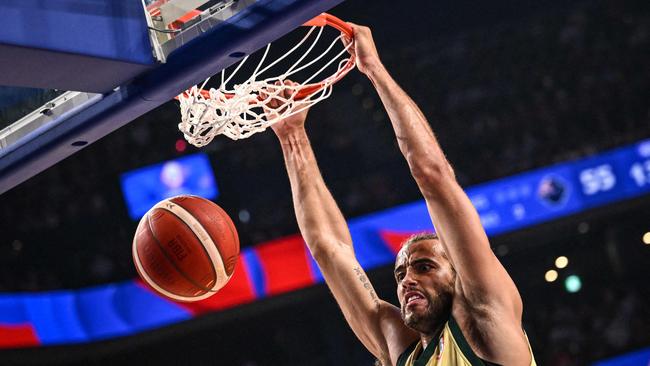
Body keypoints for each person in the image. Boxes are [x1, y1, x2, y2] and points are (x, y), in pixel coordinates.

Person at [266, 23, 536, 366]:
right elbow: (329, 250)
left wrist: (374, 69)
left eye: (424, 266)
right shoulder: (402, 351)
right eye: (401, 273)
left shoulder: (486, 319)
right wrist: (292, 137)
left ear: (459, 277)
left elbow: (433, 176)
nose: (408, 279)